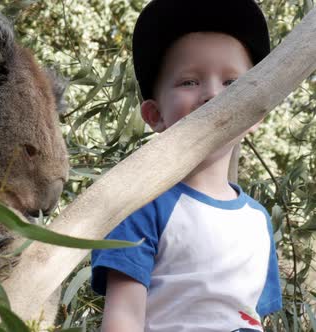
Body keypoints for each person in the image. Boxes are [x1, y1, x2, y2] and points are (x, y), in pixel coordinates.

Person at [90, 0, 282, 331]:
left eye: (232, 83)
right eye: (189, 81)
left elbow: (252, 317)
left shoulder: (258, 221)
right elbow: (123, 317)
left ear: (257, 114)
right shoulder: (141, 207)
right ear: (154, 114)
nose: (212, 94)